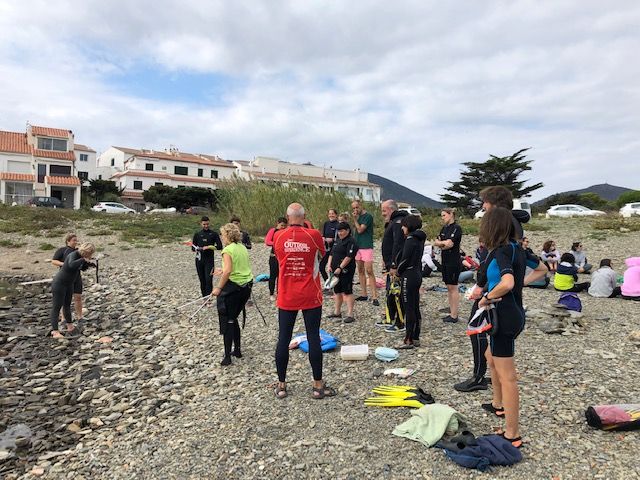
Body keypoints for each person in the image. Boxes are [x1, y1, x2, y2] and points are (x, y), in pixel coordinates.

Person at [477, 207, 546, 449]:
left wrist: (487, 297)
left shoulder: (500, 252)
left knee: (508, 377)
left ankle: (512, 434)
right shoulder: (519, 249)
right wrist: (521, 286)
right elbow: (543, 269)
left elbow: (506, 282)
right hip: (515, 313)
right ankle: (499, 407)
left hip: (502, 317)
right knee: (490, 356)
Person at [273, 203, 335, 400]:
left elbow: (278, 256)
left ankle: (282, 385)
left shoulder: (278, 236)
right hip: (310, 293)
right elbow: (322, 254)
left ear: (287, 216)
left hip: (287, 294)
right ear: (304, 216)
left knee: (284, 338)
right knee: (313, 337)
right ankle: (317, 385)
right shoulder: (313, 234)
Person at [212, 223, 253, 366]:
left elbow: (229, 271)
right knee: (234, 317)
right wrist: (221, 271)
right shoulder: (242, 247)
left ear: (227, 236)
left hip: (234, 288)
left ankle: (227, 355)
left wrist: (218, 287)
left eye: (222, 235)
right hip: (246, 287)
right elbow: (236, 268)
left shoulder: (227, 250)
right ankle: (238, 350)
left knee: (228, 319)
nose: (221, 237)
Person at [49, 243, 96, 338]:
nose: (90, 256)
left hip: (69, 284)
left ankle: (70, 325)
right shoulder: (73, 255)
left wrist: (88, 264)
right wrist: (83, 260)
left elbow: (80, 268)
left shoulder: (80, 257)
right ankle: (55, 331)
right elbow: (71, 265)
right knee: (57, 306)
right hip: (59, 283)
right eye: (90, 254)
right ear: (87, 252)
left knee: (67, 305)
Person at [397, 215, 426, 349]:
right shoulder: (420, 238)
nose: (402, 228)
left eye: (403, 225)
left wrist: (398, 271)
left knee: (408, 307)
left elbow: (405, 259)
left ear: (408, 226)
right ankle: (416, 337)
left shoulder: (410, 240)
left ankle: (408, 339)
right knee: (415, 306)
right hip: (417, 274)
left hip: (408, 275)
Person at [380, 200, 409, 331]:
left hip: (395, 265)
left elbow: (397, 244)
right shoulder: (393, 221)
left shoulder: (398, 222)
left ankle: (400, 321)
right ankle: (390, 317)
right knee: (390, 291)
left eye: (384, 210)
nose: (382, 213)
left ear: (391, 209)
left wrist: (393, 264)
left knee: (396, 292)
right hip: (390, 263)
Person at [433, 208, 463, 323]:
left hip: (453, 261)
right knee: (448, 287)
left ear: (451, 215)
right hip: (444, 260)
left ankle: (454, 315)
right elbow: (437, 242)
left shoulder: (456, 228)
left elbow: (450, 244)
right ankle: (451, 312)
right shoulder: (444, 228)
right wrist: (442, 244)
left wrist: (442, 244)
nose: (442, 218)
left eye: (444, 215)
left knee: (453, 287)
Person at [326, 222, 358, 323]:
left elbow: (349, 257)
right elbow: (331, 254)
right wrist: (329, 265)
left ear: (347, 231)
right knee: (337, 291)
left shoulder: (351, 241)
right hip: (334, 270)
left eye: (342, 231)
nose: (340, 233)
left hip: (346, 270)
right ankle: (337, 312)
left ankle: (350, 314)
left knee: (347, 291)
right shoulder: (337, 241)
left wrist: (340, 267)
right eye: (338, 231)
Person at [51, 233, 83, 324]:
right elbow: (54, 261)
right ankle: (63, 318)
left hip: (76, 276)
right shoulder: (62, 250)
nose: (76, 242)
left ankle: (80, 316)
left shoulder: (78, 251)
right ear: (68, 241)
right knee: (64, 298)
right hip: (65, 276)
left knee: (78, 296)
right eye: (74, 240)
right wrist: (64, 264)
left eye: (76, 240)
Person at [351, 200, 379, 306]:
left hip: (366, 246)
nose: (355, 210)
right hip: (358, 246)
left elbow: (360, 230)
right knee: (360, 270)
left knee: (369, 270)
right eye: (353, 208)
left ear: (361, 206)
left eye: (357, 207)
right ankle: (364, 293)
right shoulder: (358, 218)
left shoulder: (368, 217)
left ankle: (374, 296)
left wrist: (354, 220)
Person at [192, 216, 223, 298]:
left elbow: (220, 246)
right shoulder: (197, 234)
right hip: (199, 260)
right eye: (204, 224)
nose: (206, 226)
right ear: (201, 224)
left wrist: (209, 247)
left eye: (207, 224)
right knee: (202, 280)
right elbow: (193, 248)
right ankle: (204, 297)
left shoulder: (213, 234)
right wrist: (198, 248)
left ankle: (208, 298)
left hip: (209, 260)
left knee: (208, 280)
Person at [264, 217, 287, 301]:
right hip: (273, 256)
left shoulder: (285, 231)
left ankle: (280, 293)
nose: (283, 227)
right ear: (277, 223)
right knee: (273, 275)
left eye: (284, 226)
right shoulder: (273, 231)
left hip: (283, 257)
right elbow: (267, 241)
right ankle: (271, 293)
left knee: (281, 276)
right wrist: (277, 243)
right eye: (281, 225)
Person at [319, 209, 339, 281]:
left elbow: (339, 238)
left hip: (335, 249)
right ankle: (327, 282)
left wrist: (332, 239)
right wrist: (323, 238)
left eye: (333, 213)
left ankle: (334, 286)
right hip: (326, 249)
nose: (331, 215)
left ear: (336, 215)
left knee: (332, 268)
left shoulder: (338, 224)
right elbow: (323, 234)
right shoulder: (326, 223)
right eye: (330, 214)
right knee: (321, 267)